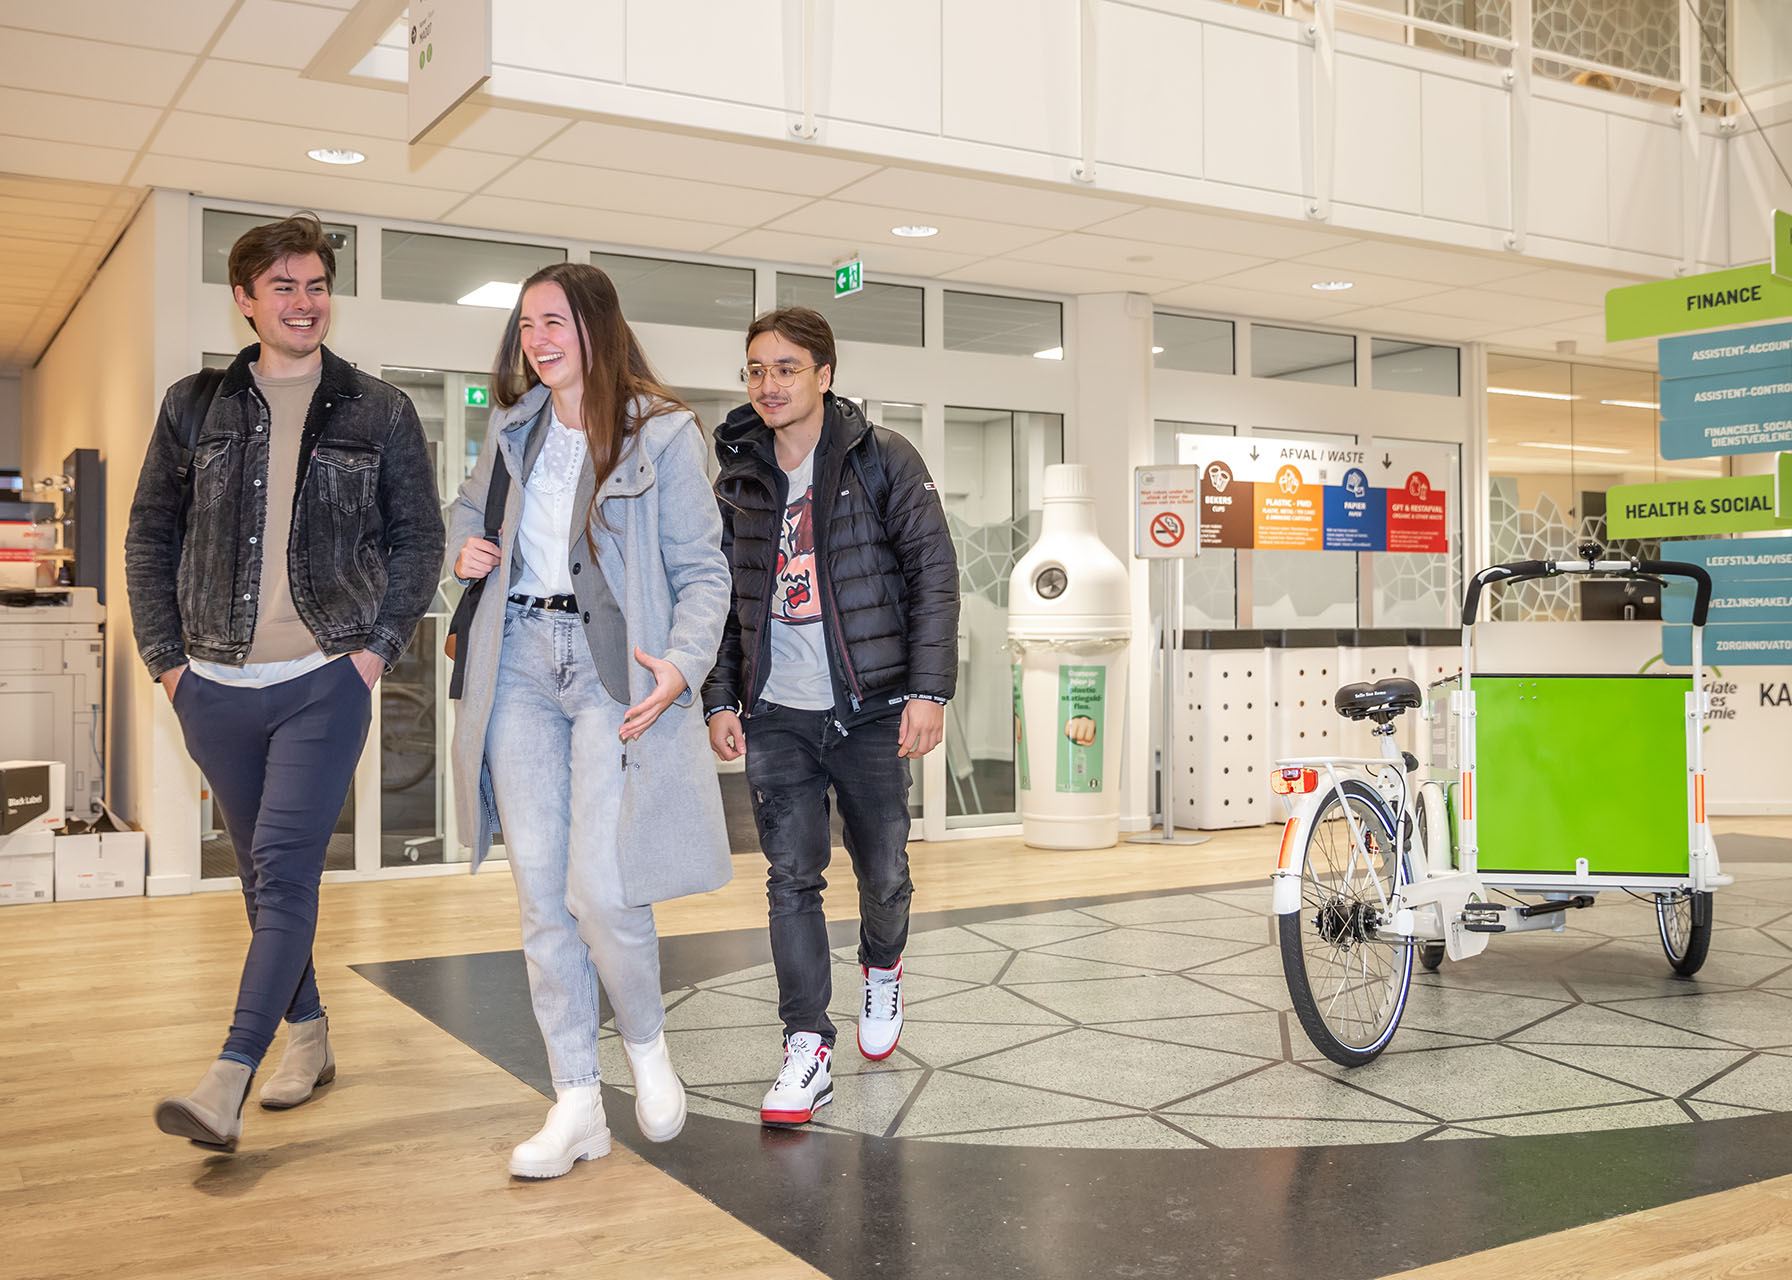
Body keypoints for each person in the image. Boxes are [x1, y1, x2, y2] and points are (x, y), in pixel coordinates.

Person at [124, 212, 444, 1152]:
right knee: (263, 877)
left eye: (315, 286)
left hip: (324, 678)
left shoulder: (378, 410)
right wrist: (168, 665)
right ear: (246, 300)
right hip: (212, 682)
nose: (304, 304)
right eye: (284, 288)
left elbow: (418, 540)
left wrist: (376, 651)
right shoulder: (193, 405)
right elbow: (149, 537)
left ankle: (228, 1075)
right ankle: (307, 1036)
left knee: (289, 867)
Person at [446, 262, 732, 1179]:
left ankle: (644, 1042)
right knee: (541, 893)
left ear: (596, 328)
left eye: (554, 321)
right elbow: (466, 511)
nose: (537, 338)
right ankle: (575, 1099)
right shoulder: (514, 428)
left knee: (602, 889)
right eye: (526, 324)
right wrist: (465, 546)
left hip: (615, 670)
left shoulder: (666, 435)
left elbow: (705, 574)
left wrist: (683, 664)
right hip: (519, 663)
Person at [704, 307, 959, 1127]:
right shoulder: (738, 474)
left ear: (824, 374)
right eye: (754, 370)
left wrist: (929, 690)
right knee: (790, 878)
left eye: (784, 368)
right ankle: (806, 1046)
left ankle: (882, 968)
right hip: (777, 710)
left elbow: (934, 576)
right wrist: (718, 697)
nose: (767, 384)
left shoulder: (881, 460)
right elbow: (717, 598)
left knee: (883, 869)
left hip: (874, 706)